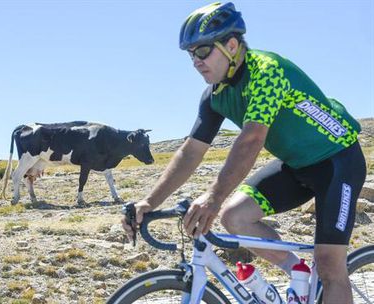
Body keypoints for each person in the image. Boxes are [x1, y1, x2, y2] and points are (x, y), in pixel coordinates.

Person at [121, 2, 366, 304]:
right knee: (235, 217)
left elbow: (251, 140)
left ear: (232, 45)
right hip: (296, 166)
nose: (195, 61)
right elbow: (190, 152)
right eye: (190, 54)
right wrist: (149, 201)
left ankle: (325, 277)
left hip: (337, 162)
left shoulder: (266, 70)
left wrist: (212, 196)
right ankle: (299, 273)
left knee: (330, 265)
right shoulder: (215, 96)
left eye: (202, 51)